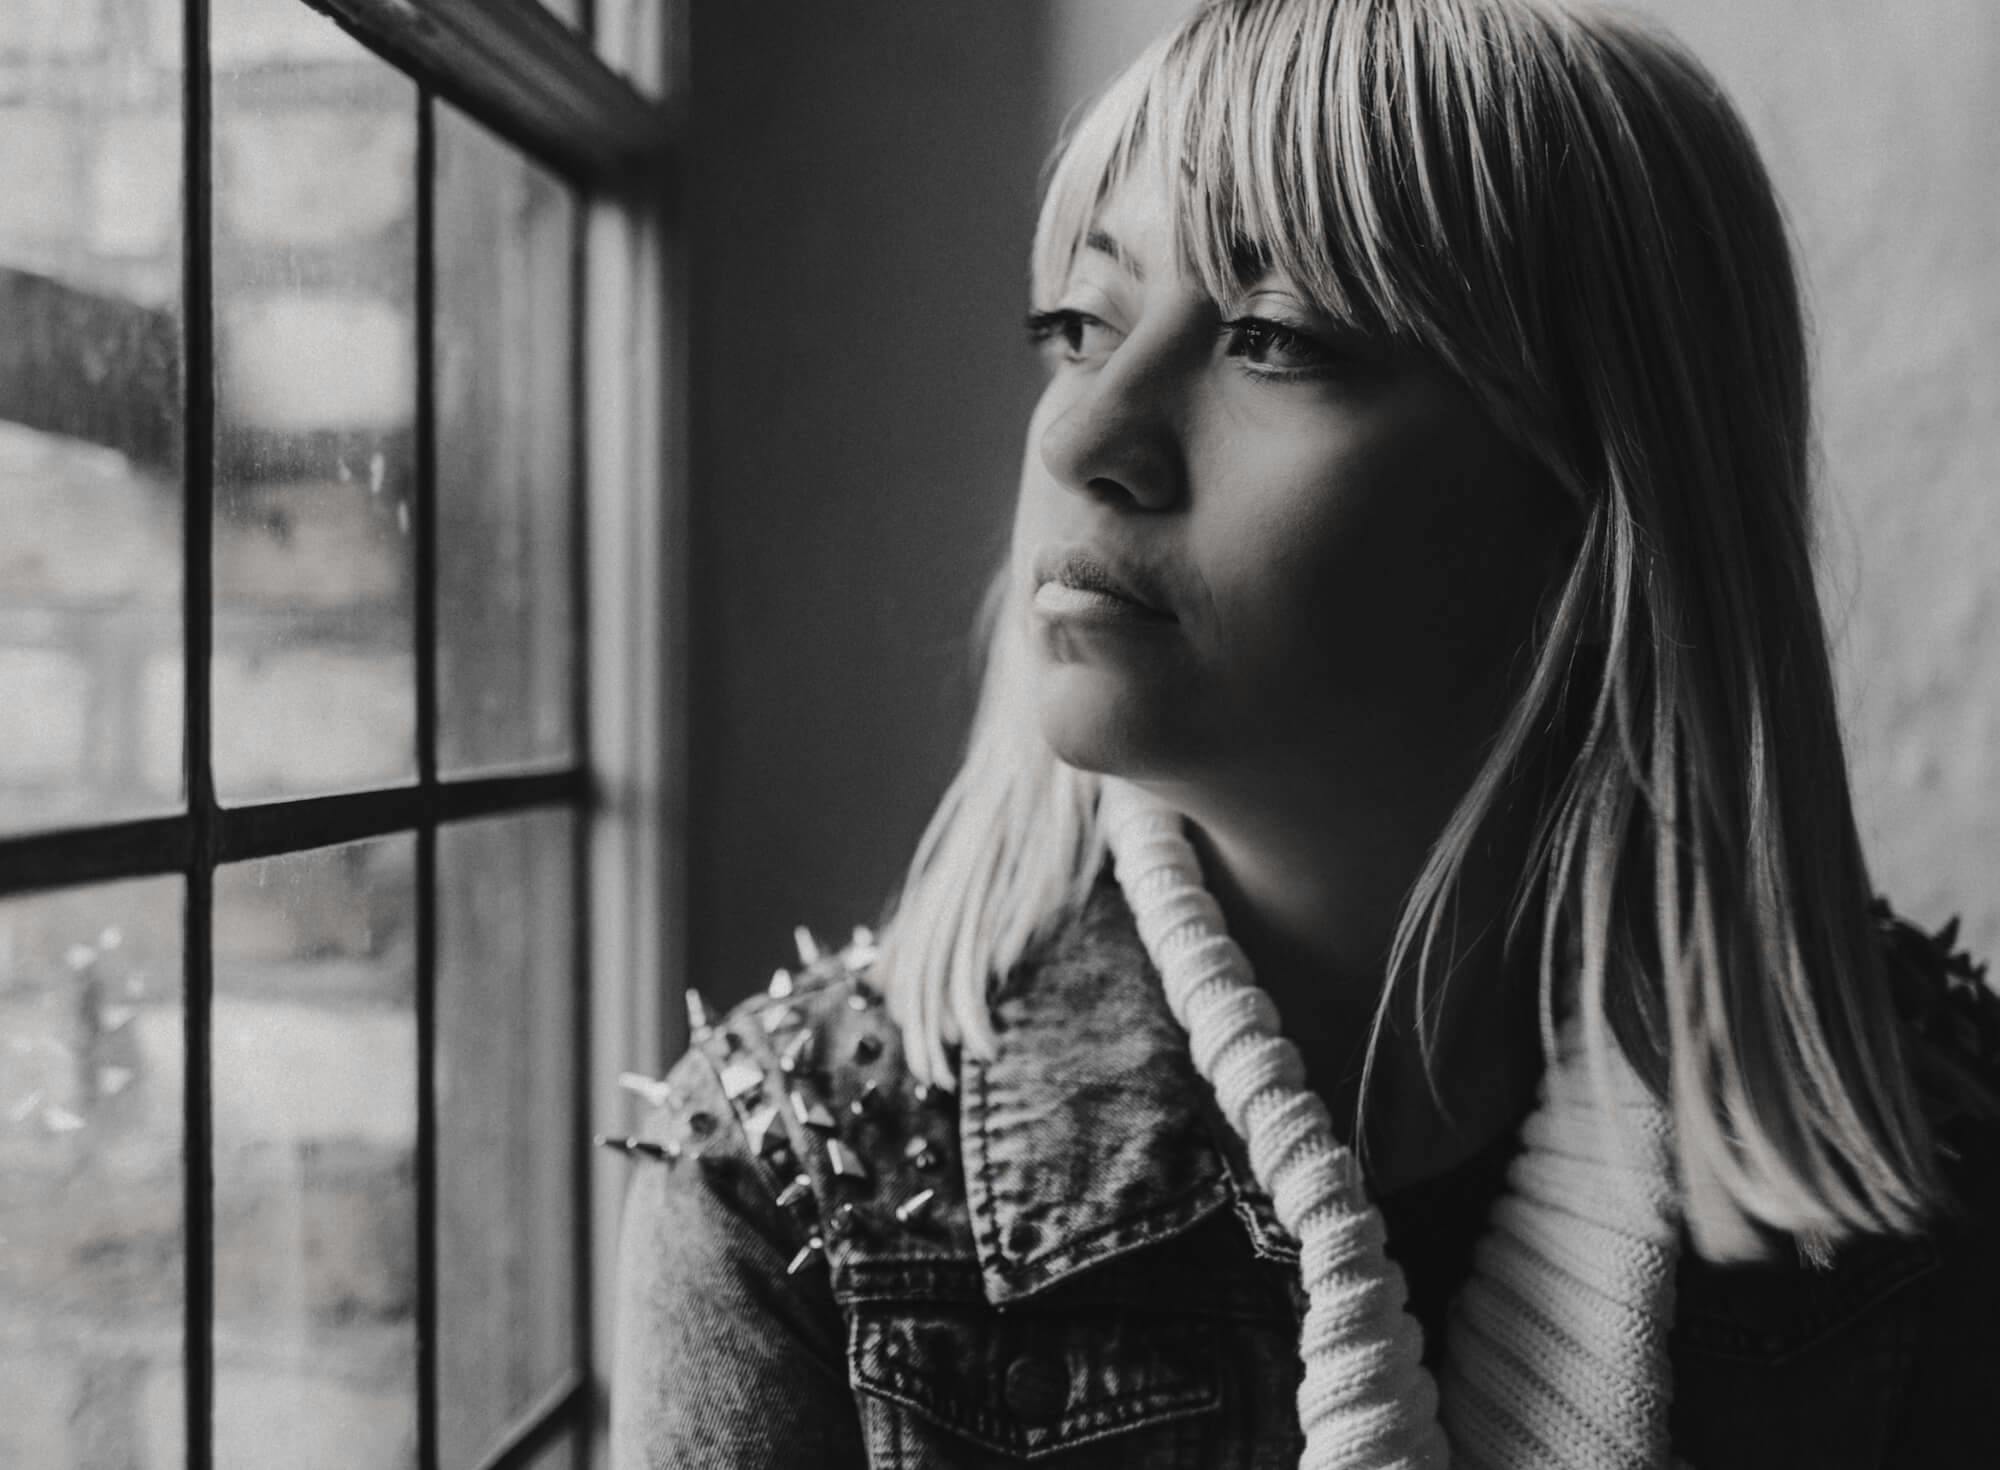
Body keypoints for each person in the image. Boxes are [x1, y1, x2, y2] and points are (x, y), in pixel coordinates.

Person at [607, 0, 2000, 1465]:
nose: (1080, 437)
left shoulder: (1944, 1153)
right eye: (1078, 327)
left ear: (1598, 496)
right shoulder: (795, 1194)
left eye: (1273, 339)